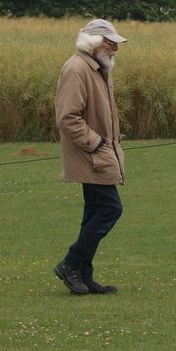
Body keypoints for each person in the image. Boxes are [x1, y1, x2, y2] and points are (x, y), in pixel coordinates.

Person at [53, 19, 127, 294]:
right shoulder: (77, 69)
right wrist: (96, 143)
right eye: (111, 44)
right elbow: (67, 117)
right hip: (91, 155)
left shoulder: (98, 68)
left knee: (94, 213)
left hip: (99, 153)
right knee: (110, 209)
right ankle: (70, 263)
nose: (115, 49)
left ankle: (83, 275)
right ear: (95, 43)